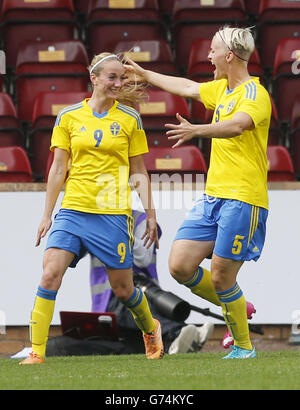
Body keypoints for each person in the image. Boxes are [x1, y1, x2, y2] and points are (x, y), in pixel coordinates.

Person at [125, 26, 271, 359]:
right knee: (179, 265)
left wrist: (197, 130)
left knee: (221, 276)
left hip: (243, 199)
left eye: (213, 50)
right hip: (213, 198)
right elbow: (187, 86)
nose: (208, 56)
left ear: (229, 56)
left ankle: (244, 347)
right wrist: (146, 73)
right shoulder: (222, 89)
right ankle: (237, 305)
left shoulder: (255, 94)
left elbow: (239, 125)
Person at [20, 52, 164, 365]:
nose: (118, 83)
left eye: (121, 78)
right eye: (111, 77)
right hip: (73, 211)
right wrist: (47, 214)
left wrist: (150, 215)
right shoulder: (68, 116)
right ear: (94, 78)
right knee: (49, 275)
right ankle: (37, 352)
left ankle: (151, 328)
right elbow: (58, 169)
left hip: (112, 215)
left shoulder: (129, 119)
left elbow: (138, 170)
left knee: (124, 289)